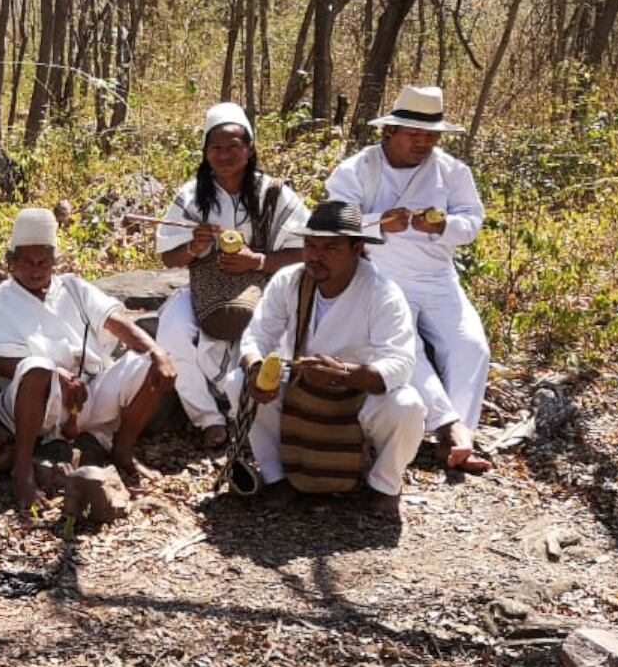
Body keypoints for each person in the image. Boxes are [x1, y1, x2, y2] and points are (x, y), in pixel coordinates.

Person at [0, 208, 177, 511]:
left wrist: (157, 352)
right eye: (28, 262)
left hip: (89, 392)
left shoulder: (72, 287)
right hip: (40, 403)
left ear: (54, 262)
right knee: (36, 367)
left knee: (148, 362)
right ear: (11, 263)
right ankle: (23, 471)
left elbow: (115, 322)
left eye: (43, 262)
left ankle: (122, 450)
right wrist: (55, 374)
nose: (36, 270)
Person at [324, 85, 493, 474]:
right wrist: (379, 222)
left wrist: (444, 224)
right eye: (414, 135)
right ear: (390, 131)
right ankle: (449, 428)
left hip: (437, 276)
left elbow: (472, 221)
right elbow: (332, 222)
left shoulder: (452, 171)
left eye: (431, 136)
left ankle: (460, 434)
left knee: (471, 346)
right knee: (407, 349)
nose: (423, 143)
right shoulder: (358, 169)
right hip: (380, 275)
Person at [237, 201, 429, 521]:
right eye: (310, 245)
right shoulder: (290, 280)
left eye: (330, 248)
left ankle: (385, 485)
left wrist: (344, 374)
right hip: (300, 384)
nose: (316, 255)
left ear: (357, 249)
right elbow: (256, 337)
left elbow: (400, 362)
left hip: (358, 392)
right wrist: (256, 369)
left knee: (407, 406)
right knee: (237, 383)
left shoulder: (382, 291)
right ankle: (276, 478)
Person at [154, 102, 307, 449]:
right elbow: (168, 256)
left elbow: (305, 250)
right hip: (205, 289)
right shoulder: (192, 195)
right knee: (174, 332)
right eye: (216, 147)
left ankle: (253, 415)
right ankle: (207, 417)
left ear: (250, 148)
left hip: (264, 286)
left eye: (233, 146)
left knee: (270, 337)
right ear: (206, 153)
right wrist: (194, 247)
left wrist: (257, 261)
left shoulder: (274, 194)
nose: (224, 154)